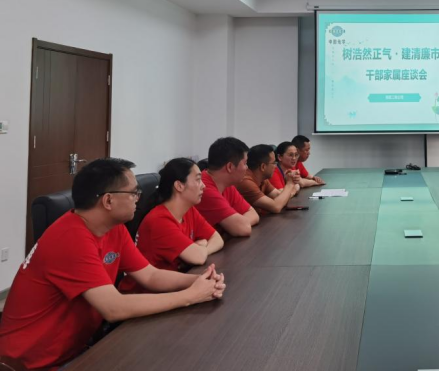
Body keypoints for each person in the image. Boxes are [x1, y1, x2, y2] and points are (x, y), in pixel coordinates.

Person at [0, 159, 225, 370]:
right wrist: (189, 296)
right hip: (30, 363)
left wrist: (199, 281)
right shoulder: (71, 237)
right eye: (133, 193)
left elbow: (150, 276)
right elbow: (114, 308)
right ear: (108, 201)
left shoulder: (114, 228)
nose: (139, 198)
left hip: (76, 350)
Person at [119, 158, 224, 294]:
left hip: (171, 287)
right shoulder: (159, 220)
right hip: (143, 294)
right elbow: (198, 258)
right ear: (179, 186)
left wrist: (202, 248)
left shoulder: (189, 210)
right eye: (198, 180)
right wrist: (200, 247)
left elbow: (217, 239)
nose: (203, 185)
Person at [195, 137, 259, 237]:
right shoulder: (204, 189)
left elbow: (253, 214)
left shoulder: (226, 184)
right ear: (230, 167)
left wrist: (239, 223)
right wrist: (238, 224)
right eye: (245, 163)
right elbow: (243, 229)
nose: (247, 168)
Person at [236, 144, 299, 214]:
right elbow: (276, 207)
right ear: (263, 167)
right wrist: (290, 184)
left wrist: (291, 188)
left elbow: (279, 196)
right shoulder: (246, 182)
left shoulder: (263, 179)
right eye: (274, 163)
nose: (275, 166)